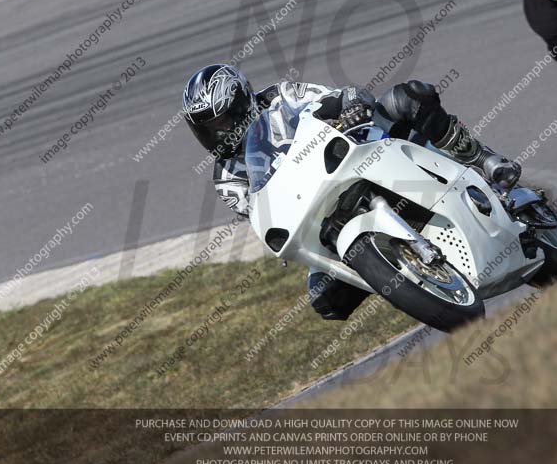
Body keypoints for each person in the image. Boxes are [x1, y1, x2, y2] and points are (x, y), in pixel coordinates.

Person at [183, 64, 521, 321]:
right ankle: (402, 272)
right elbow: (259, 213)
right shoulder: (226, 177)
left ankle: (483, 159)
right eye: (207, 129)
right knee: (323, 300)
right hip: (317, 213)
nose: (217, 134)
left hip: (359, 151)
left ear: (242, 103)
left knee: (408, 97)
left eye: (221, 123)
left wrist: (349, 106)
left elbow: (335, 97)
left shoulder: (280, 96)